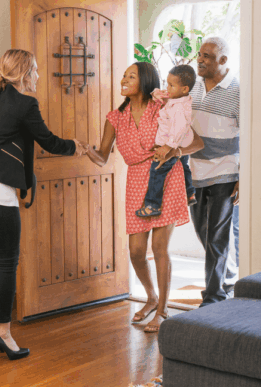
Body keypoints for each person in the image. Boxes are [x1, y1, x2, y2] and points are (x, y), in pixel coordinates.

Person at [0, 49, 87, 360]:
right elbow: (49, 141)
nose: (38, 75)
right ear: (24, 74)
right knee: (7, 261)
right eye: (35, 69)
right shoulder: (25, 104)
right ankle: (2, 331)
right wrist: (75, 147)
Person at [86, 62, 204, 333]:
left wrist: (174, 152)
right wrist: (83, 149)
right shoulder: (115, 117)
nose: (124, 79)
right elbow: (102, 157)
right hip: (136, 182)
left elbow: (197, 143)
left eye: (131, 76)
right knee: (137, 251)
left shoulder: (162, 107)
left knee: (160, 247)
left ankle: (162, 310)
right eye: (124, 75)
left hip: (166, 177)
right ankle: (151, 296)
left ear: (146, 80)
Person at [190, 36, 240, 307]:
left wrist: (244, 176)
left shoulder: (238, 91)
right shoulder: (192, 86)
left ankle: (213, 297)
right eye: (200, 54)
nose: (199, 60)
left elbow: (249, 134)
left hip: (225, 170)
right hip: (196, 170)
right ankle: (228, 275)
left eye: (207, 56)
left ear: (223, 60)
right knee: (203, 232)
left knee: (217, 236)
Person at [135, 64, 198, 218]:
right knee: (184, 166)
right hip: (182, 143)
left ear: (184, 89)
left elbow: (179, 128)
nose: (167, 88)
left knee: (157, 171)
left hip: (172, 144)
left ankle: (152, 205)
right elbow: (167, 101)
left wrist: (168, 147)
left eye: (171, 85)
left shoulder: (178, 108)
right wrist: (158, 94)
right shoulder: (180, 100)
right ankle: (190, 193)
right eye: (167, 83)